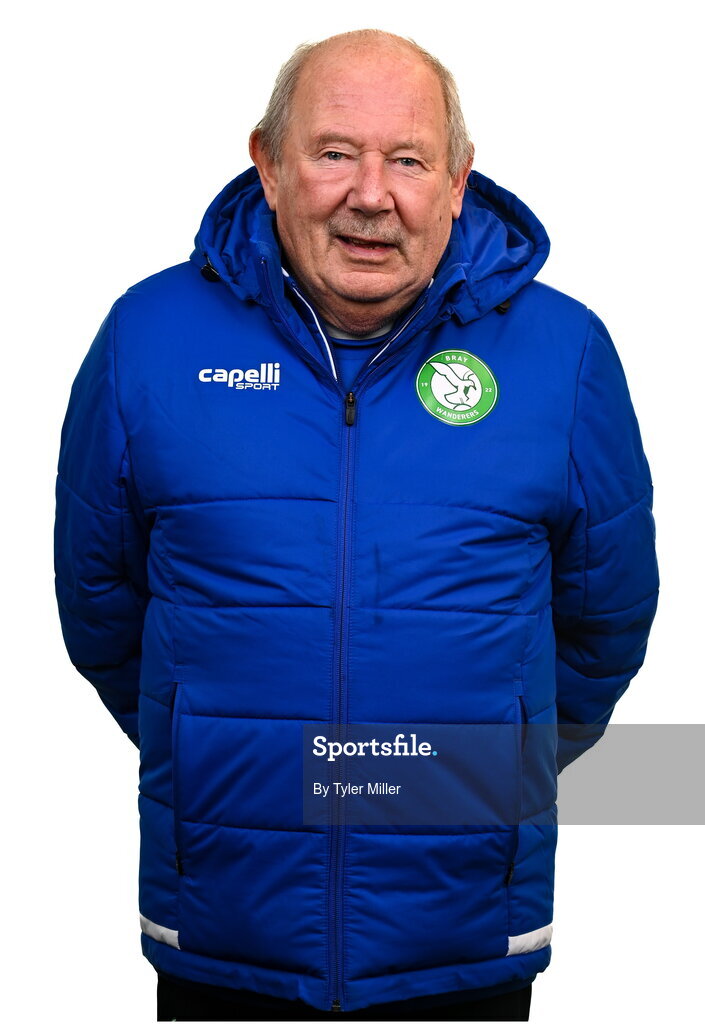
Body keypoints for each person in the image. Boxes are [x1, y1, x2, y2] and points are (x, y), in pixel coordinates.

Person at [53, 28, 659, 1022]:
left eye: (409, 160)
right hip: (227, 927)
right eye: (334, 152)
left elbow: (605, 620)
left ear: (458, 182)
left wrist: (470, 771)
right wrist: (209, 745)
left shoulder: (565, 354)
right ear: (270, 165)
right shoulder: (147, 340)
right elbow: (101, 604)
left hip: (461, 934)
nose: (371, 195)